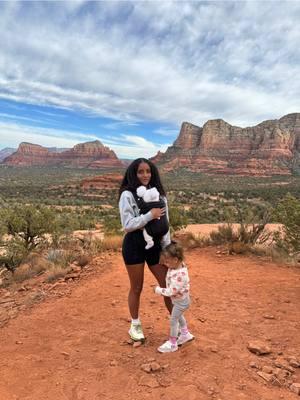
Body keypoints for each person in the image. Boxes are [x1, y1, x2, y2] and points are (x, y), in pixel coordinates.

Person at [119, 158, 172, 342]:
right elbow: (127, 225)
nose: (145, 175)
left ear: (153, 172)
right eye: (140, 172)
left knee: (168, 285)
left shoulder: (160, 196)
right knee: (137, 287)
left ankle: (179, 325)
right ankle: (135, 325)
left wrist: (168, 250)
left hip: (155, 245)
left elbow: (166, 225)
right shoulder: (127, 195)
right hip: (134, 245)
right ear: (134, 174)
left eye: (148, 171)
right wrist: (150, 215)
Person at [154, 241, 194, 353]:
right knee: (177, 315)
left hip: (181, 302)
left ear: (175, 260)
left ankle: (172, 343)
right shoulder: (176, 267)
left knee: (173, 320)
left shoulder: (180, 276)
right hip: (180, 301)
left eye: (167, 262)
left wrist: (158, 290)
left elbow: (171, 291)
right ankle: (185, 334)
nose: (165, 264)